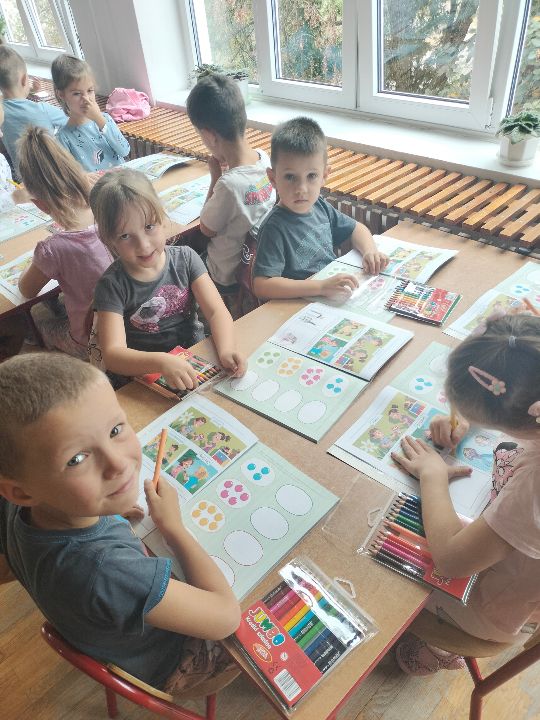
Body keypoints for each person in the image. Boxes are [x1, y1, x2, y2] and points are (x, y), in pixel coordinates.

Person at [0, 354, 240, 693]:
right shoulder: (104, 571)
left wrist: (108, 510)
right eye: (76, 459)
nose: (118, 464)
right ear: (22, 492)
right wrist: (174, 529)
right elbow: (225, 618)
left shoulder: (22, 503)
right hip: (174, 661)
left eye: (115, 430)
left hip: (111, 629)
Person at [391, 313, 540, 675]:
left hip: (493, 609)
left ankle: (439, 648)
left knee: (382, 568)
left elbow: (452, 562)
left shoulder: (532, 487)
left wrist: (432, 476)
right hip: (518, 560)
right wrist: (472, 414)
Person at [90, 168, 246, 389]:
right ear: (108, 239)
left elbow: (216, 311)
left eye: (149, 226)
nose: (143, 245)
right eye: (125, 236)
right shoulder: (111, 286)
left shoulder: (186, 259)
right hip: (143, 376)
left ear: (162, 218)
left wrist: (227, 349)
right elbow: (114, 354)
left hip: (194, 357)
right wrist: (162, 362)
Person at [252, 117, 389, 301]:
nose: (301, 188)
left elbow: (357, 228)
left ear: (324, 175)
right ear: (273, 178)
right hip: (298, 305)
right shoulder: (274, 228)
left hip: (328, 296)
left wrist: (370, 251)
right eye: (290, 177)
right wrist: (320, 287)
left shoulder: (320, 206)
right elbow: (262, 285)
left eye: (311, 176)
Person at [17, 127, 113, 358]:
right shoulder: (111, 213)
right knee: (58, 299)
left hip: (93, 341)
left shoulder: (52, 249)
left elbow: (26, 290)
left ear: (38, 203)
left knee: (37, 315)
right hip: (132, 321)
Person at [186, 73, 275, 290]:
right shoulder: (264, 159)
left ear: (209, 136)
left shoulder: (228, 185)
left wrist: (215, 177)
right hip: (258, 264)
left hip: (226, 275)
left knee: (184, 253)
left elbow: (206, 229)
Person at [51, 54, 130, 172]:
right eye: (77, 93)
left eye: (90, 90)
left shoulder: (105, 120)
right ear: (61, 94)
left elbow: (124, 151)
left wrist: (99, 119)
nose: (86, 99)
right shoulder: (63, 138)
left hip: (122, 179)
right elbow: (71, 176)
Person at [0, 46, 66, 173]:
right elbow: (73, 120)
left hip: (24, 177)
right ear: (24, 79)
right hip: (56, 173)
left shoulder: (1, 112)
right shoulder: (42, 109)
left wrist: (30, 90)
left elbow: (9, 98)